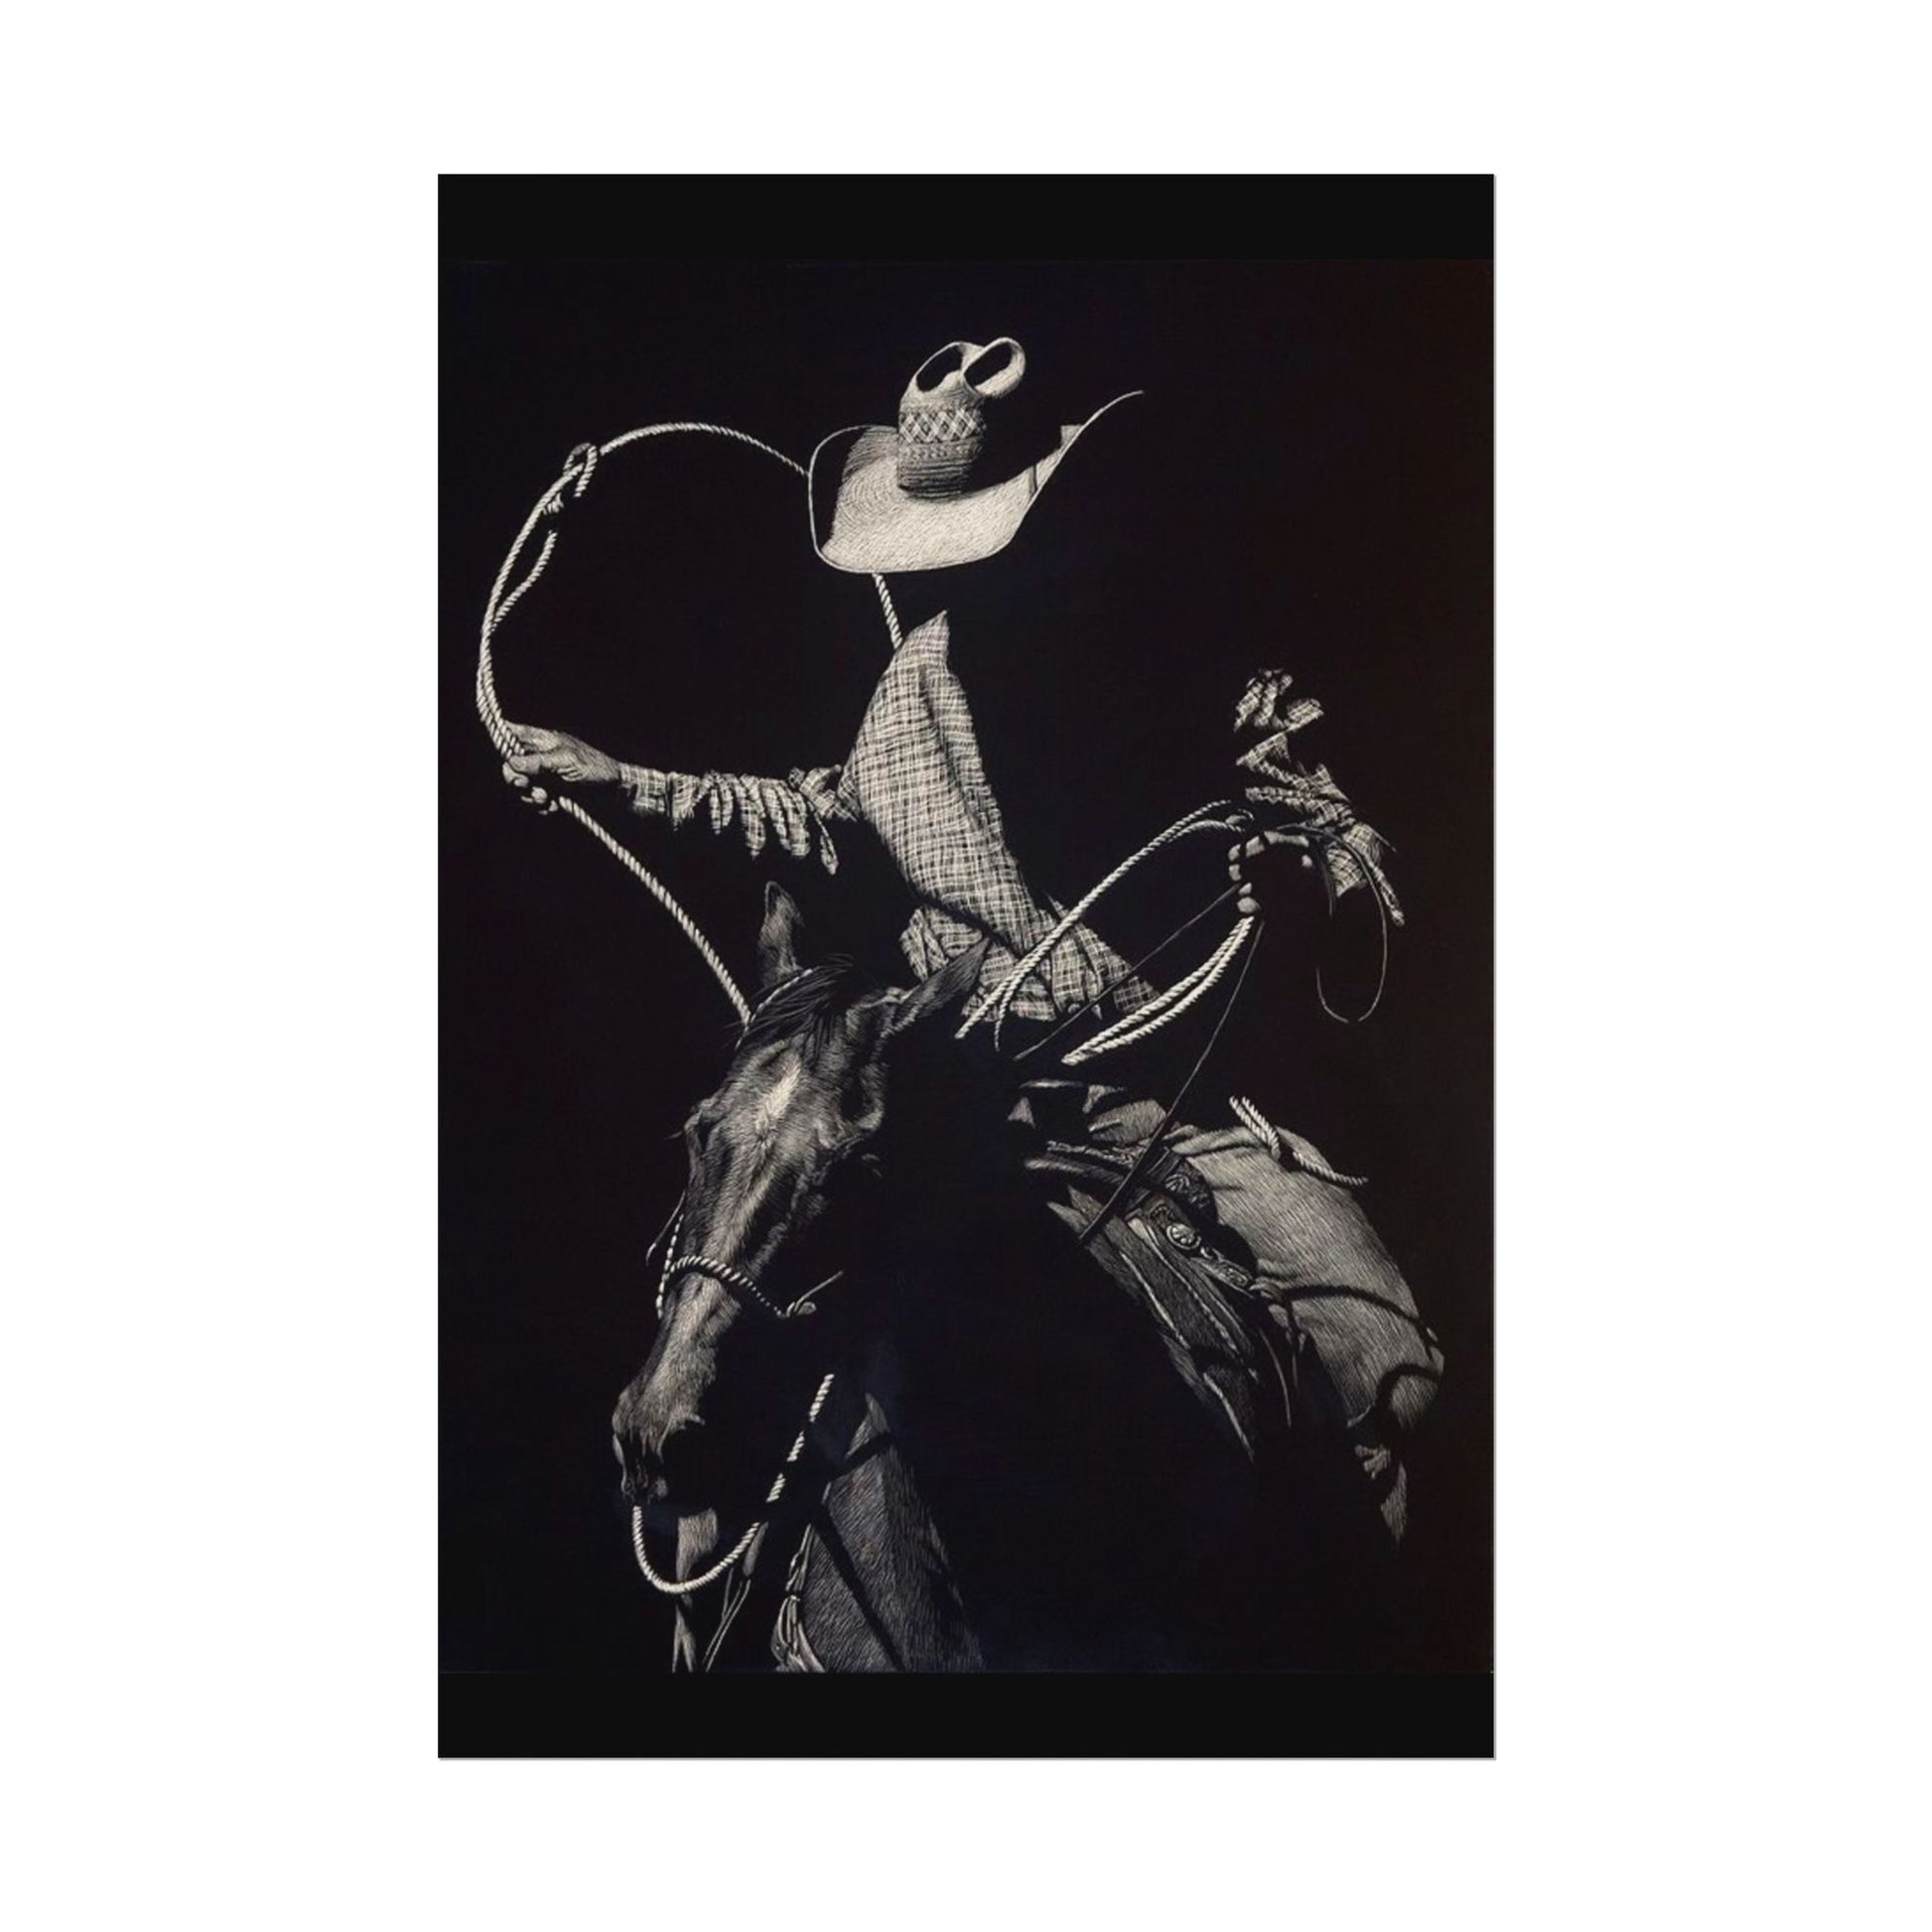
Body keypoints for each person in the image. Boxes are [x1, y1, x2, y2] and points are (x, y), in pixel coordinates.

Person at [503, 338, 1443, 1542]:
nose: (967, 576)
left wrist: (1314, 861)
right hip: (951, 1088)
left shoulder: (1181, 657)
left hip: (1161, 1094)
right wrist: (625, 779)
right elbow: (828, 816)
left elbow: (1322, 815)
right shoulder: (913, 680)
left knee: (1384, 1353)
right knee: (737, 1328)